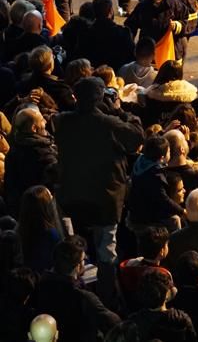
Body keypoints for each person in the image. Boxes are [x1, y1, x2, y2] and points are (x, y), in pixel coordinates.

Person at [54, 78, 145, 303]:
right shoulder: (110, 124)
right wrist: (121, 111)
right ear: (100, 98)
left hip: (73, 198)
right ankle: (106, 299)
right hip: (105, 201)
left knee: (75, 253)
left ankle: (76, 294)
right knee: (106, 254)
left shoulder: (62, 121)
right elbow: (136, 138)